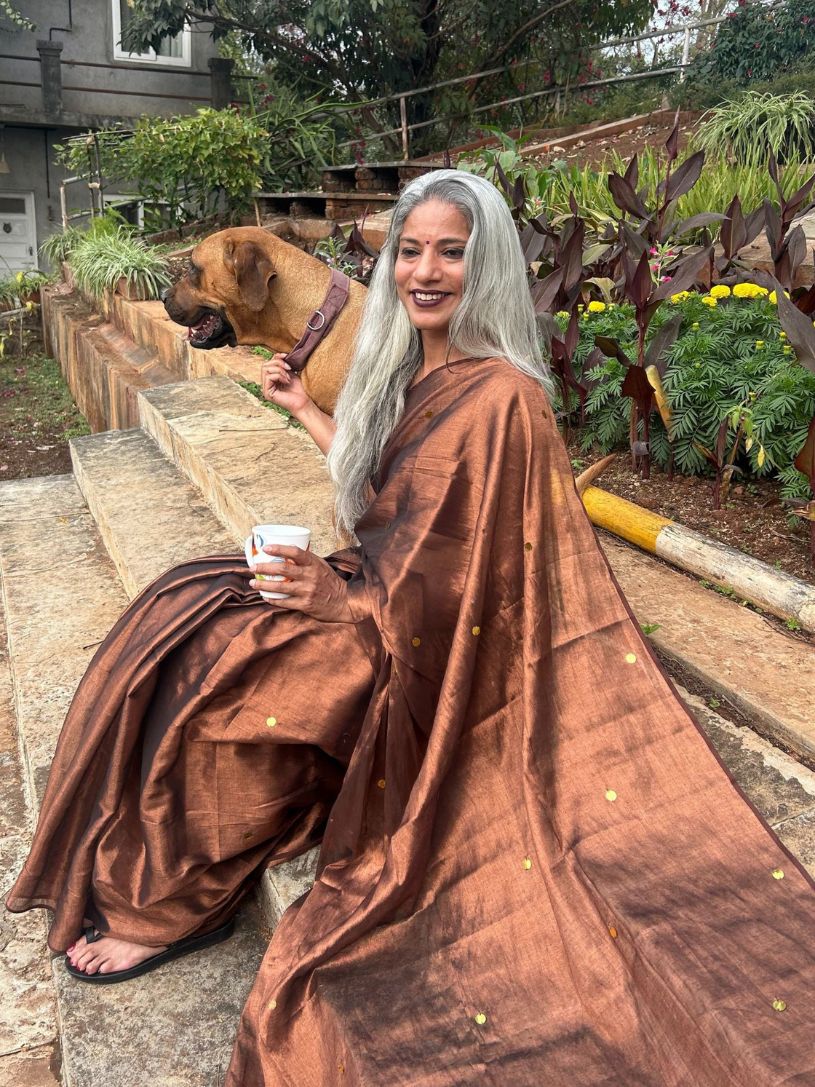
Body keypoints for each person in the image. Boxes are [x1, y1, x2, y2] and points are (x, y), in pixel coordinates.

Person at [8, 171, 815, 1086]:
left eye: (453, 252)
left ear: (490, 267)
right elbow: (388, 506)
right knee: (188, 601)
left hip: (420, 644)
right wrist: (313, 416)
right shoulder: (413, 367)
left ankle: (172, 903)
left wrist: (339, 600)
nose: (426, 271)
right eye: (412, 250)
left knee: (233, 667)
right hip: (378, 593)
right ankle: (152, 871)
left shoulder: (505, 396)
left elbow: (475, 586)